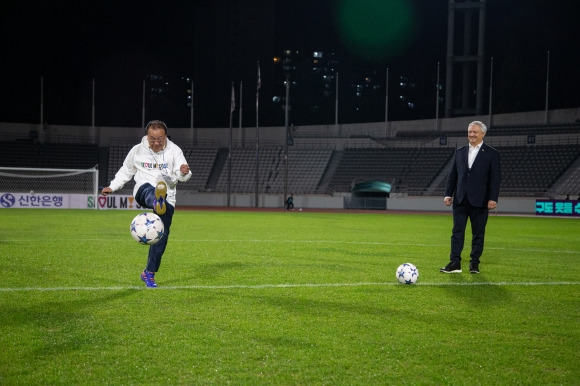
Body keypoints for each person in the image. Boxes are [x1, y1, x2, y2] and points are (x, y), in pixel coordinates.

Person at [101, 120, 191, 288]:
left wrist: (185, 173)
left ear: (165, 136)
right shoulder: (137, 151)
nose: (156, 142)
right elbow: (126, 171)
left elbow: (183, 173)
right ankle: (156, 200)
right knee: (150, 189)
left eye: (160, 139)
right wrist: (112, 187)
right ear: (147, 136)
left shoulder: (175, 150)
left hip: (168, 196)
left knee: (161, 236)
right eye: (152, 139)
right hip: (143, 190)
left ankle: (148, 273)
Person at [441, 121, 500, 274]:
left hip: (480, 200)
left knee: (478, 234)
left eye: (475, 132)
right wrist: (448, 193)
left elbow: (495, 178)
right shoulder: (459, 151)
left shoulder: (492, 153)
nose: (472, 134)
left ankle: (474, 263)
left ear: (483, 134)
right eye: (470, 132)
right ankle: (455, 263)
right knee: (457, 232)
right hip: (460, 199)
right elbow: (453, 174)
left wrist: (493, 198)